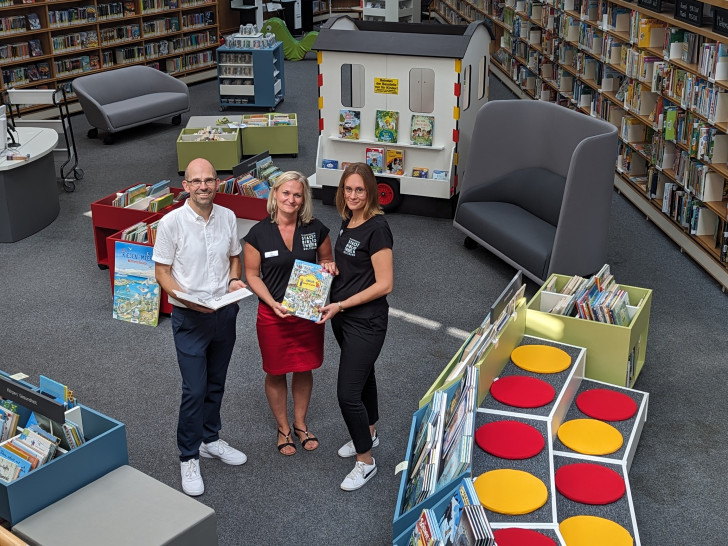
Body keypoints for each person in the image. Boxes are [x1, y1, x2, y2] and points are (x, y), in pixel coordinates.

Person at [153, 157, 248, 497]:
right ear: (186, 186)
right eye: (197, 181)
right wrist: (184, 298)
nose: (204, 186)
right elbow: (161, 272)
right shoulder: (171, 223)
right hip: (190, 316)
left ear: (217, 183)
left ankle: (211, 439)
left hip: (224, 312)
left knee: (216, 382)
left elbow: (234, 255)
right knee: (193, 389)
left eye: (210, 179)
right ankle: (188, 455)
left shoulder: (228, 216)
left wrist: (235, 279)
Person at [243, 171, 334, 456]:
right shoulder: (258, 233)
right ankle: (283, 428)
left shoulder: (315, 229)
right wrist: (271, 302)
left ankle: (300, 423)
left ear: (303, 198)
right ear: (274, 195)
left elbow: (326, 259)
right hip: (273, 315)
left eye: (297, 194)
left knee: (304, 367)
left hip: (307, 314)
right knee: (275, 370)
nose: (291, 199)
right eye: (286, 193)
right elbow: (251, 274)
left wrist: (329, 266)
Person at [318, 162, 393, 491]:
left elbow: (385, 284)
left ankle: (366, 461)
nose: (352, 195)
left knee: (347, 394)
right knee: (364, 377)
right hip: (343, 319)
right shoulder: (348, 220)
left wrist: (342, 304)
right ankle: (370, 433)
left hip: (366, 321)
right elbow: (352, 265)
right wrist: (333, 268)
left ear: (371, 191)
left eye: (359, 190)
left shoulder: (378, 228)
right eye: (348, 189)